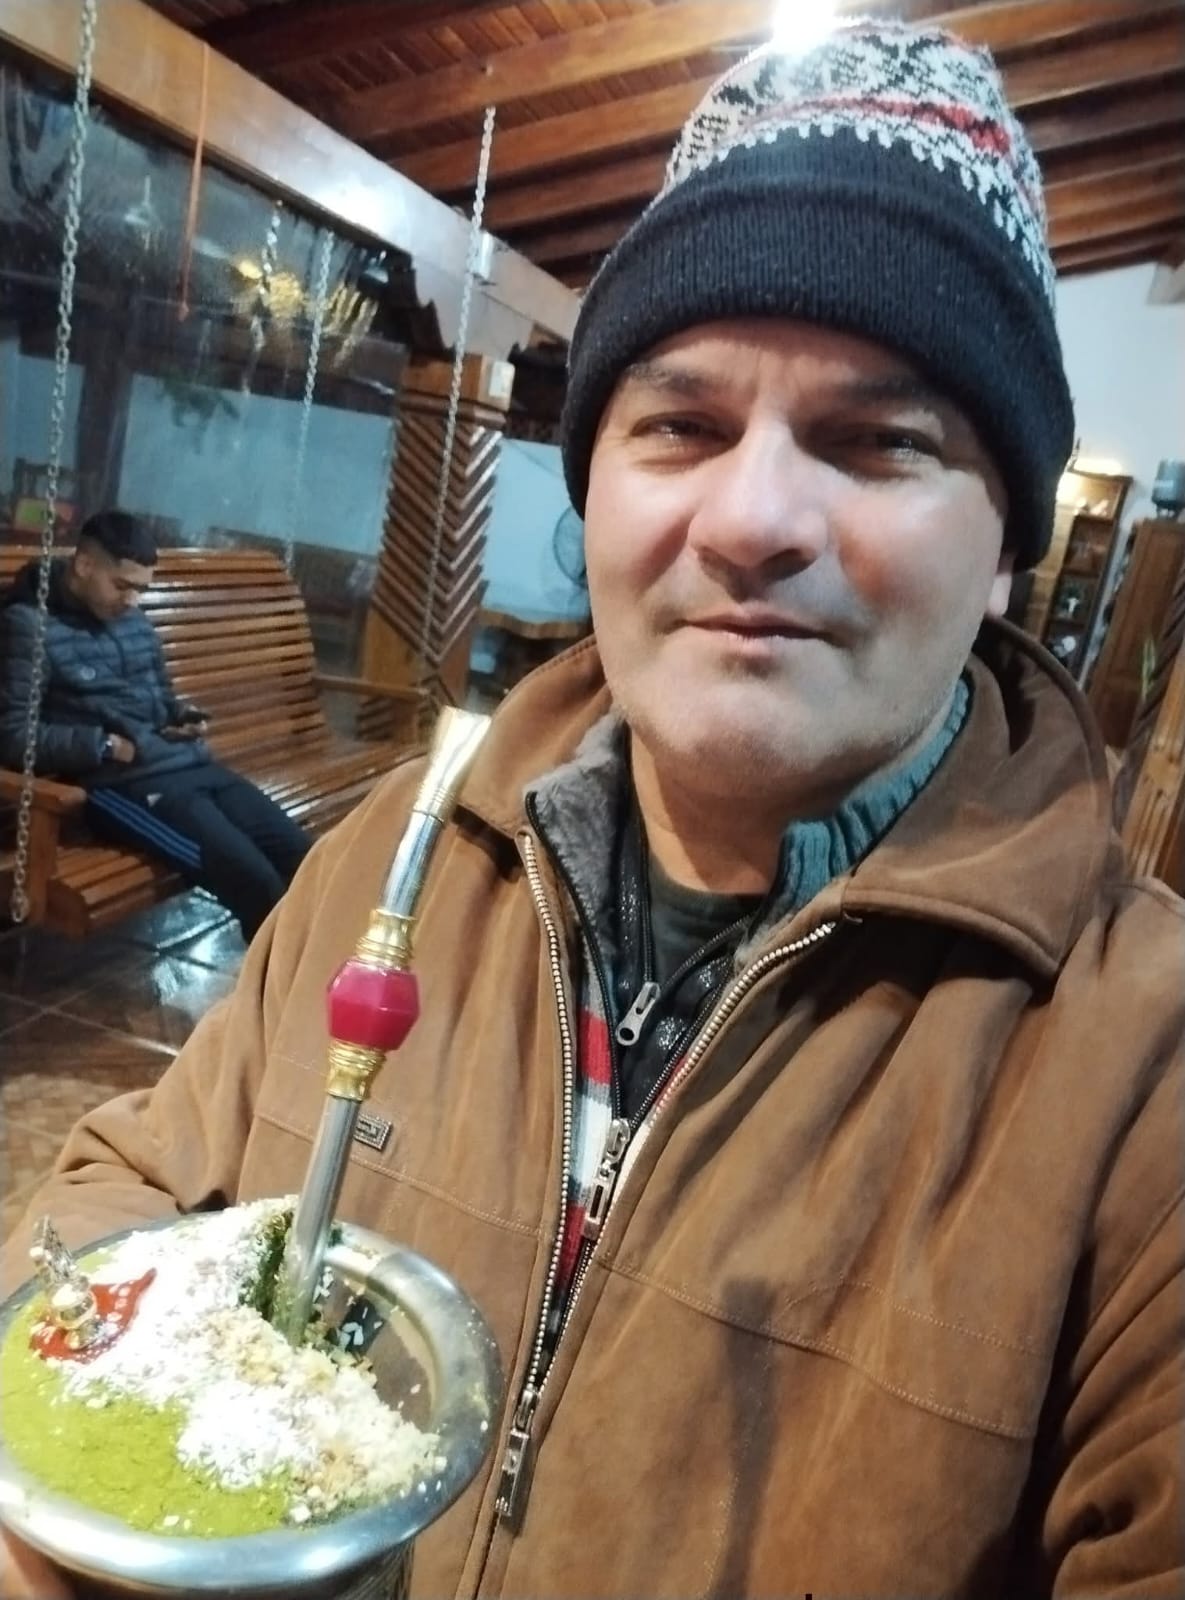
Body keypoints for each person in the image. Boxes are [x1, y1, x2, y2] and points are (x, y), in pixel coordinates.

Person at [2, 20, 1182, 1598]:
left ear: (1006, 549)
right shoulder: (398, 861)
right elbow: (131, 1191)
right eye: (680, 425)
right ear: (594, 482)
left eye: (879, 441)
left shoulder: (1140, 1083)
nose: (752, 518)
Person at [0, 511, 311, 940]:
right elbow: (13, 736)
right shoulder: (30, 626)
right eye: (122, 585)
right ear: (84, 565)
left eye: (141, 590)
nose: (131, 601)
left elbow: (160, 699)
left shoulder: (133, 622)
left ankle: (314, 974)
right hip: (122, 785)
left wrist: (180, 717)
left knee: (305, 858)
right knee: (256, 883)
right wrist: (102, 745)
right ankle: (275, 983)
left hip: (187, 763)